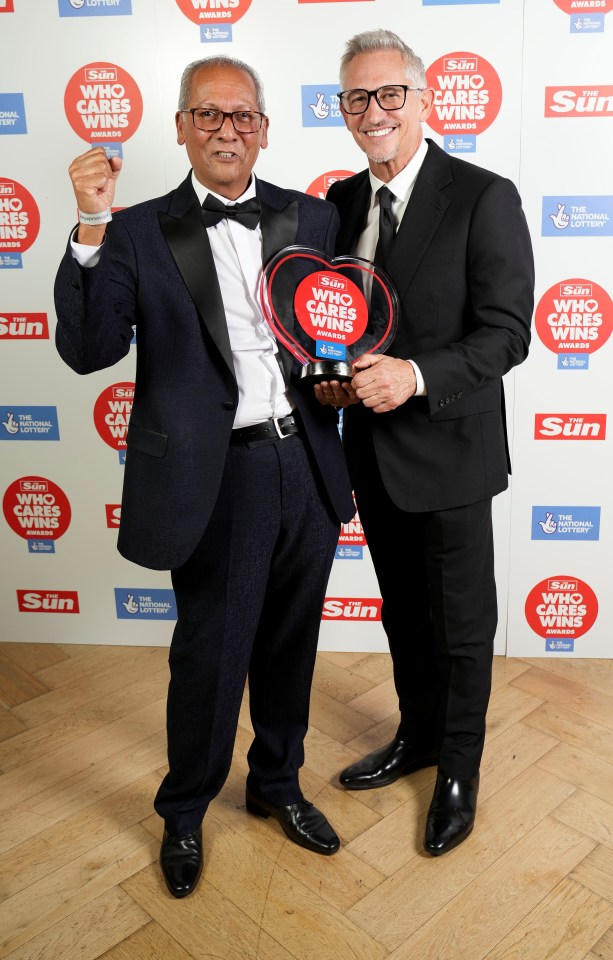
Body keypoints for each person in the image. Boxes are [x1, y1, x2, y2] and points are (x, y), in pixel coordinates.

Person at [54, 55, 355, 898]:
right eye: (209, 115)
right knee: (210, 656)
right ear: (181, 127)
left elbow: (335, 333)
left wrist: (339, 377)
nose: (228, 130)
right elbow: (88, 352)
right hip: (213, 476)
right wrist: (87, 222)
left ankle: (276, 786)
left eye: (243, 116)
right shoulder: (138, 230)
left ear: (264, 128)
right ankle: (184, 810)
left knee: (291, 645)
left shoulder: (313, 217)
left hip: (307, 458)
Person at [315, 30, 534, 855]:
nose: (373, 113)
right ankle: (416, 737)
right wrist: (330, 382)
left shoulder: (483, 195)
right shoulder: (337, 201)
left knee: (461, 622)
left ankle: (458, 771)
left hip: (450, 450)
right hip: (370, 454)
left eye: (387, 95)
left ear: (421, 98)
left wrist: (413, 376)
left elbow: (507, 333)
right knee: (404, 612)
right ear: (343, 110)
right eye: (355, 98)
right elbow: (329, 325)